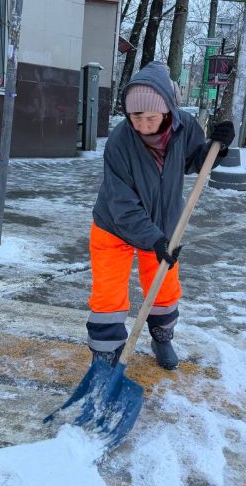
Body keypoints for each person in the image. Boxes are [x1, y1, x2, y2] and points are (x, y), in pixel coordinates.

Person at [86, 61, 235, 371]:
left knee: (164, 289)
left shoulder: (185, 127)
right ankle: (106, 354)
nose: (142, 125)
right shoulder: (119, 143)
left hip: (165, 225)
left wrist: (216, 149)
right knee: (108, 295)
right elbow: (122, 205)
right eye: (135, 117)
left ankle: (162, 337)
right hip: (114, 227)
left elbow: (193, 161)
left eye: (151, 117)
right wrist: (153, 239)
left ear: (168, 110)